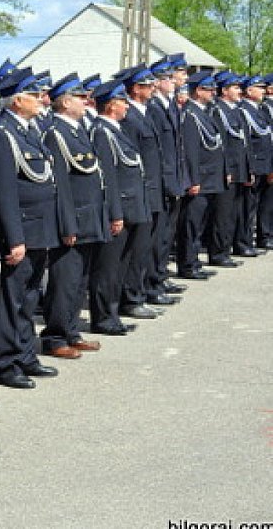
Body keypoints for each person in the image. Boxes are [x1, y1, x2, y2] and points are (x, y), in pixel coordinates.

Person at [0, 67, 64, 388]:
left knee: (29, 297)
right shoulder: (2, 133)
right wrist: (13, 238)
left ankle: (26, 354)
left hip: (39, 228)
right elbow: (2, 190)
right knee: (11, 300)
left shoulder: (28, 131)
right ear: (17, 100)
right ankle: (6, 362)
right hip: (21, 232)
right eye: (34, 94)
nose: (42, 98)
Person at [40, 73, 108, 357]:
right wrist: (68, 223)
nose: (86, 102)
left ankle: (71, 330)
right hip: (73, 220)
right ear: (66, 102)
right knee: (64, 282)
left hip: (88, 216)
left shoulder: (77, 130)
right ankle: (55, 337)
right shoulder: (56, 133)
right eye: (80, 98)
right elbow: (60, 184)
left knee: (79, 282)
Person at [88, 79, 147, 336]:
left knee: (120, 265)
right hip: (119, 208)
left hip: (130, 205)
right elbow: (108, 177)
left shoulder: (115, 130)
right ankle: (103, 317)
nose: (127, 106)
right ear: (112, 105)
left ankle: (112, 314)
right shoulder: (101, 132)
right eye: (123, 102)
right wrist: (115, 212)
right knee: (107, 268)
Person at [118, 64, 168, 318]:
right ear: (136, 89)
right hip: (140, 192)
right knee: (136, 250)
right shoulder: (129, 119)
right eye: (148, 85)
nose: (153, 87)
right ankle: (131, 298)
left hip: (152, 191)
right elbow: (130, 161)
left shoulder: (144, 114)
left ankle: (141, 291)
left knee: (145, 247)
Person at [177, 71, 230, 279]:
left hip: (210, 178)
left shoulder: (203, 112)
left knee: (199, 224)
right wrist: (194, 179)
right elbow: (190, 151)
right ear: (198, 91)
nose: (213, 92)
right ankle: (187, 265)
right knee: (191, 224)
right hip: (200, 178)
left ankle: (194, 262)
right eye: (209, 89)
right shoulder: (190, 114)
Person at [146, 57, 188, 297]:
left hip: (174, 179)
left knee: (166, 235)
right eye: (168, 78)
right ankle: (152, 282)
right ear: (158, 82)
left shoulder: (169, 105)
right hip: (162, 181)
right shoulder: (154, 107)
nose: (174, 82)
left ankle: (160, 277)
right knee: (158, 236)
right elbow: (158, 151)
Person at [211, 73, 254, 260]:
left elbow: (244, 143)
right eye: (235, 88)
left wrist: (249, 169)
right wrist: (226, 170)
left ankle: (229, 248)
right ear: (224, 91)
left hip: (240, 169)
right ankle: (219, 253)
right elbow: (221, 145)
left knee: (234, 213)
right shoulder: (218, 111)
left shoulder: (236, 111)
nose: (239, 91)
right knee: (223, 214)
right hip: (228, 170)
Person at [238, 75, 273, 251]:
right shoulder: (244, 110)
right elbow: (247, 142)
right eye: (259, 88)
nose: (263, 91)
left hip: (264, 163)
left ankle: (261, 237)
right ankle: (243, 242)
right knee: (248, 207)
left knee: (262, 204)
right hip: (255, 163)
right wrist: (249, 166)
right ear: (249, 90)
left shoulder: (258, 110)